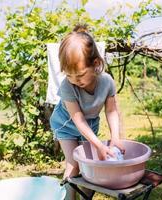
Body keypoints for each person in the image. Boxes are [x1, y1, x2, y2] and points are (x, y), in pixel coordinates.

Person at [50, 25, 125, 200]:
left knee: (91, 166)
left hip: (90, 124)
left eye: (80, 75)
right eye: (69, 75)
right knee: (74, 164)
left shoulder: (107, 82)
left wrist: (115, 137)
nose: (75, 80)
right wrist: (99, 145)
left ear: (96, 64)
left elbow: (112, 111)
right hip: (66, 124)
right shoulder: (67, 86)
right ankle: (68, 198)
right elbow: (78, 119)